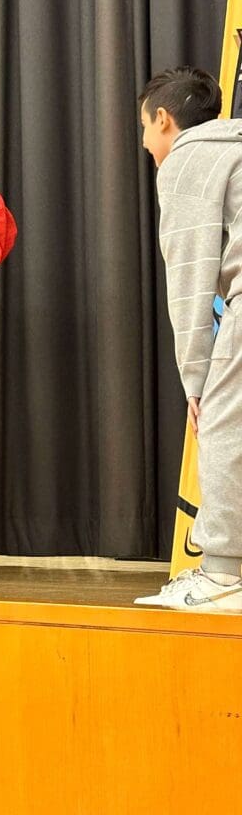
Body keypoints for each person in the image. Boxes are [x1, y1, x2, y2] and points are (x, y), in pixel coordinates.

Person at [137, 65, 242, 612]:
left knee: (224, 431)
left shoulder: (187, 160)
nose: (148, 146)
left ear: (164, 118)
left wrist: (196, 382)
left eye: (146, 131)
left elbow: (190, 277)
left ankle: (224, 574)